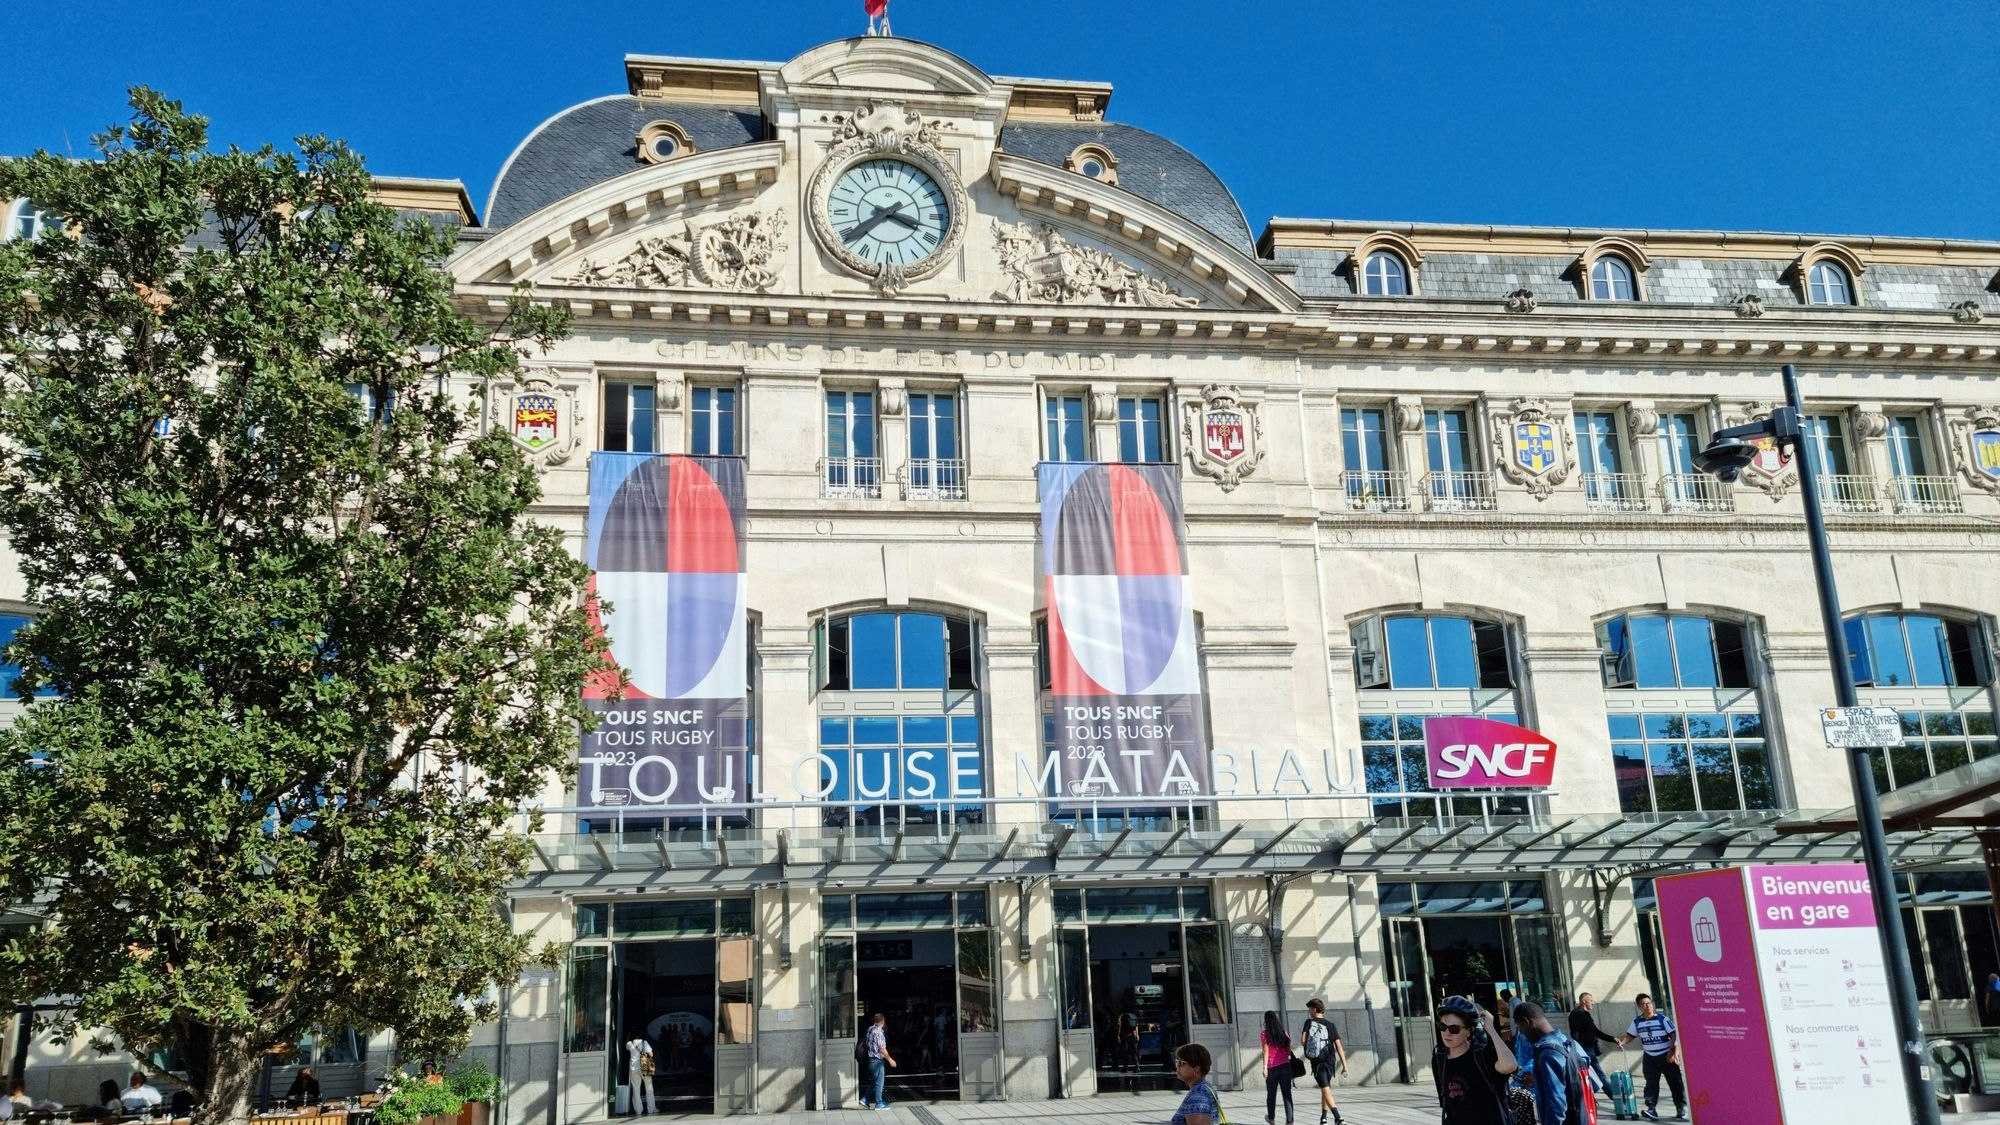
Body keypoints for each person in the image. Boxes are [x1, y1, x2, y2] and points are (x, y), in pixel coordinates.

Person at [1433, 997, 1516, 1125]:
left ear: (1469, 1031)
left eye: (1454, 1029)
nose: (1446, 1033)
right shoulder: (1439, 1059)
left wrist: (1492, 1030)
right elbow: (1447, 1104)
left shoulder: (1483, 1055)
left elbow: (1510, 1065)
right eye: (1442, 1026)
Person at [1617, 993, 1685, 1121]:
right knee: (1651, 1084)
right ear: (1639, 1007)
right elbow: (1630, 1036)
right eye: (1643, 1004)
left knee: (1675, 1082)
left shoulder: (1663, 1019)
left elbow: (1674, 1035)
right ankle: (1651, 1109)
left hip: (1666, 1056)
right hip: (1649, 1057)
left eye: (1648, 1003)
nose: (1647, 1006)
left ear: (1652, 1004)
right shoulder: (1637, 1021)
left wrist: (1673, 1052)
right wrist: (1622, 1042)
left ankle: (1680, 1108)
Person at [1517, 1002, 1587, 1125]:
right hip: (1582, 1117)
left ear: (1526, 1022)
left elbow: (1556, 1104)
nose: (1522, 1033)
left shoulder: (1548, 1053)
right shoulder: (1570, 1042)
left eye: (1520, 1028)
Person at [1300, 998, 1349, 1125]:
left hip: (1318, 1062)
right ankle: (1323, 1118)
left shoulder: (1309, 1022)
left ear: (1314, 1009)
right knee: (1325, 1088)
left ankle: (1338, 1118)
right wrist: (1345, 1065)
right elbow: (1338, 1045)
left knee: (1325, 1088)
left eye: (1310, 1009)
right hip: (1330, 1060)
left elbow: (1303, 1041)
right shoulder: (1330, 1025)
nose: (1309, 1012)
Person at [1568, 992, 1618, 1092]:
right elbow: (1574, 1033)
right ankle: (1614, 1095)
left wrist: (1612, 1039)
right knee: (1599, 1074)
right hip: (1585, 1050)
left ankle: (1594, 1094)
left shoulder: (1586, 1015)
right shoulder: (1577, 1014)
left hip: (1589, 1049)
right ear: (1583, 1001)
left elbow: (1596, 1032)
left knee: (1595, 1075)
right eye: (1590, 1000)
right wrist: (1578, 1050)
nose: (1593, 1002)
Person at [1260, 1009, 1295, 1125]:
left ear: (1266, 1021)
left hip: (1272, 1068)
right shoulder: (1284, 1033)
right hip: (1285, 1066)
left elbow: (1265, 1051)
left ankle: (1271, 1118)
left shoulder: (1264, 1034)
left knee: (1271, 1094)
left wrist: (1265, 1067)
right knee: (1287, 1094)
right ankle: (1290, 1121)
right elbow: (1288, 1050)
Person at [1172, 1043, 1221, 1125]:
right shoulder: (1205, 1087)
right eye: (1176, 1062)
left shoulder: (1198, 1097)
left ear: (1196, 1068)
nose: (1177, 1066)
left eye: (1181, 1063)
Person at [863, 1011, 897, 1110]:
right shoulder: (878, 1033)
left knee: (876, 1080)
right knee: (880, 1082)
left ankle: (865, 1098)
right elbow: (882, 1049)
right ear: (883, 1021)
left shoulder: (870, 1029)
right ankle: (879, 1103)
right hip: (877, 1060)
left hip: (871, 1059)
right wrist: (890, 1060)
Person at [624, 1032, 655, 1116]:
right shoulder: (644, 1043)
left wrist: (628, 1036)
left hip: (634, 1068)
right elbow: (651, 1054)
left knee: (636, 1089)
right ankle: (651, 1109)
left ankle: (638, 1110)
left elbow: (626, 1045)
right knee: (649, 1089)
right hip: (644, 1067)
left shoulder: (629, 1043)